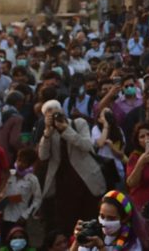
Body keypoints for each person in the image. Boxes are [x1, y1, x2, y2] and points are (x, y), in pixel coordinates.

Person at [37, 99, 106, 235]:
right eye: (48, 113)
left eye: (55, 111)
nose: (53, 115)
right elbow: (43, 156)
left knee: (89, 218)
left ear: (61, 111)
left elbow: (87, 145)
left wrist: (66, 129)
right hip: (62, 183)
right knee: (67, 221)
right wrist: (47, 133)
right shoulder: (48, 132)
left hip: (85, 179)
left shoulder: (78, 123)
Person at [70, 190, 145, 251]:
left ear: (124, 219)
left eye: (111, 218)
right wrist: (77, 240)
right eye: (102, 216)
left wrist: (101, 247)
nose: (105, 222)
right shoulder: (93, 236)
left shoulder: (132, 244)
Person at [2, 147, 42, 240]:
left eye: (24, 162)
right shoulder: (9, 175)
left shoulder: (32, 179)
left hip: (19, 219)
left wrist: (26, 215)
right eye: (19, 160)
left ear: (30, 164)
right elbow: (2, 193)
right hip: (5, 217)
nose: (20, 164)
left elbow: (38, 200)